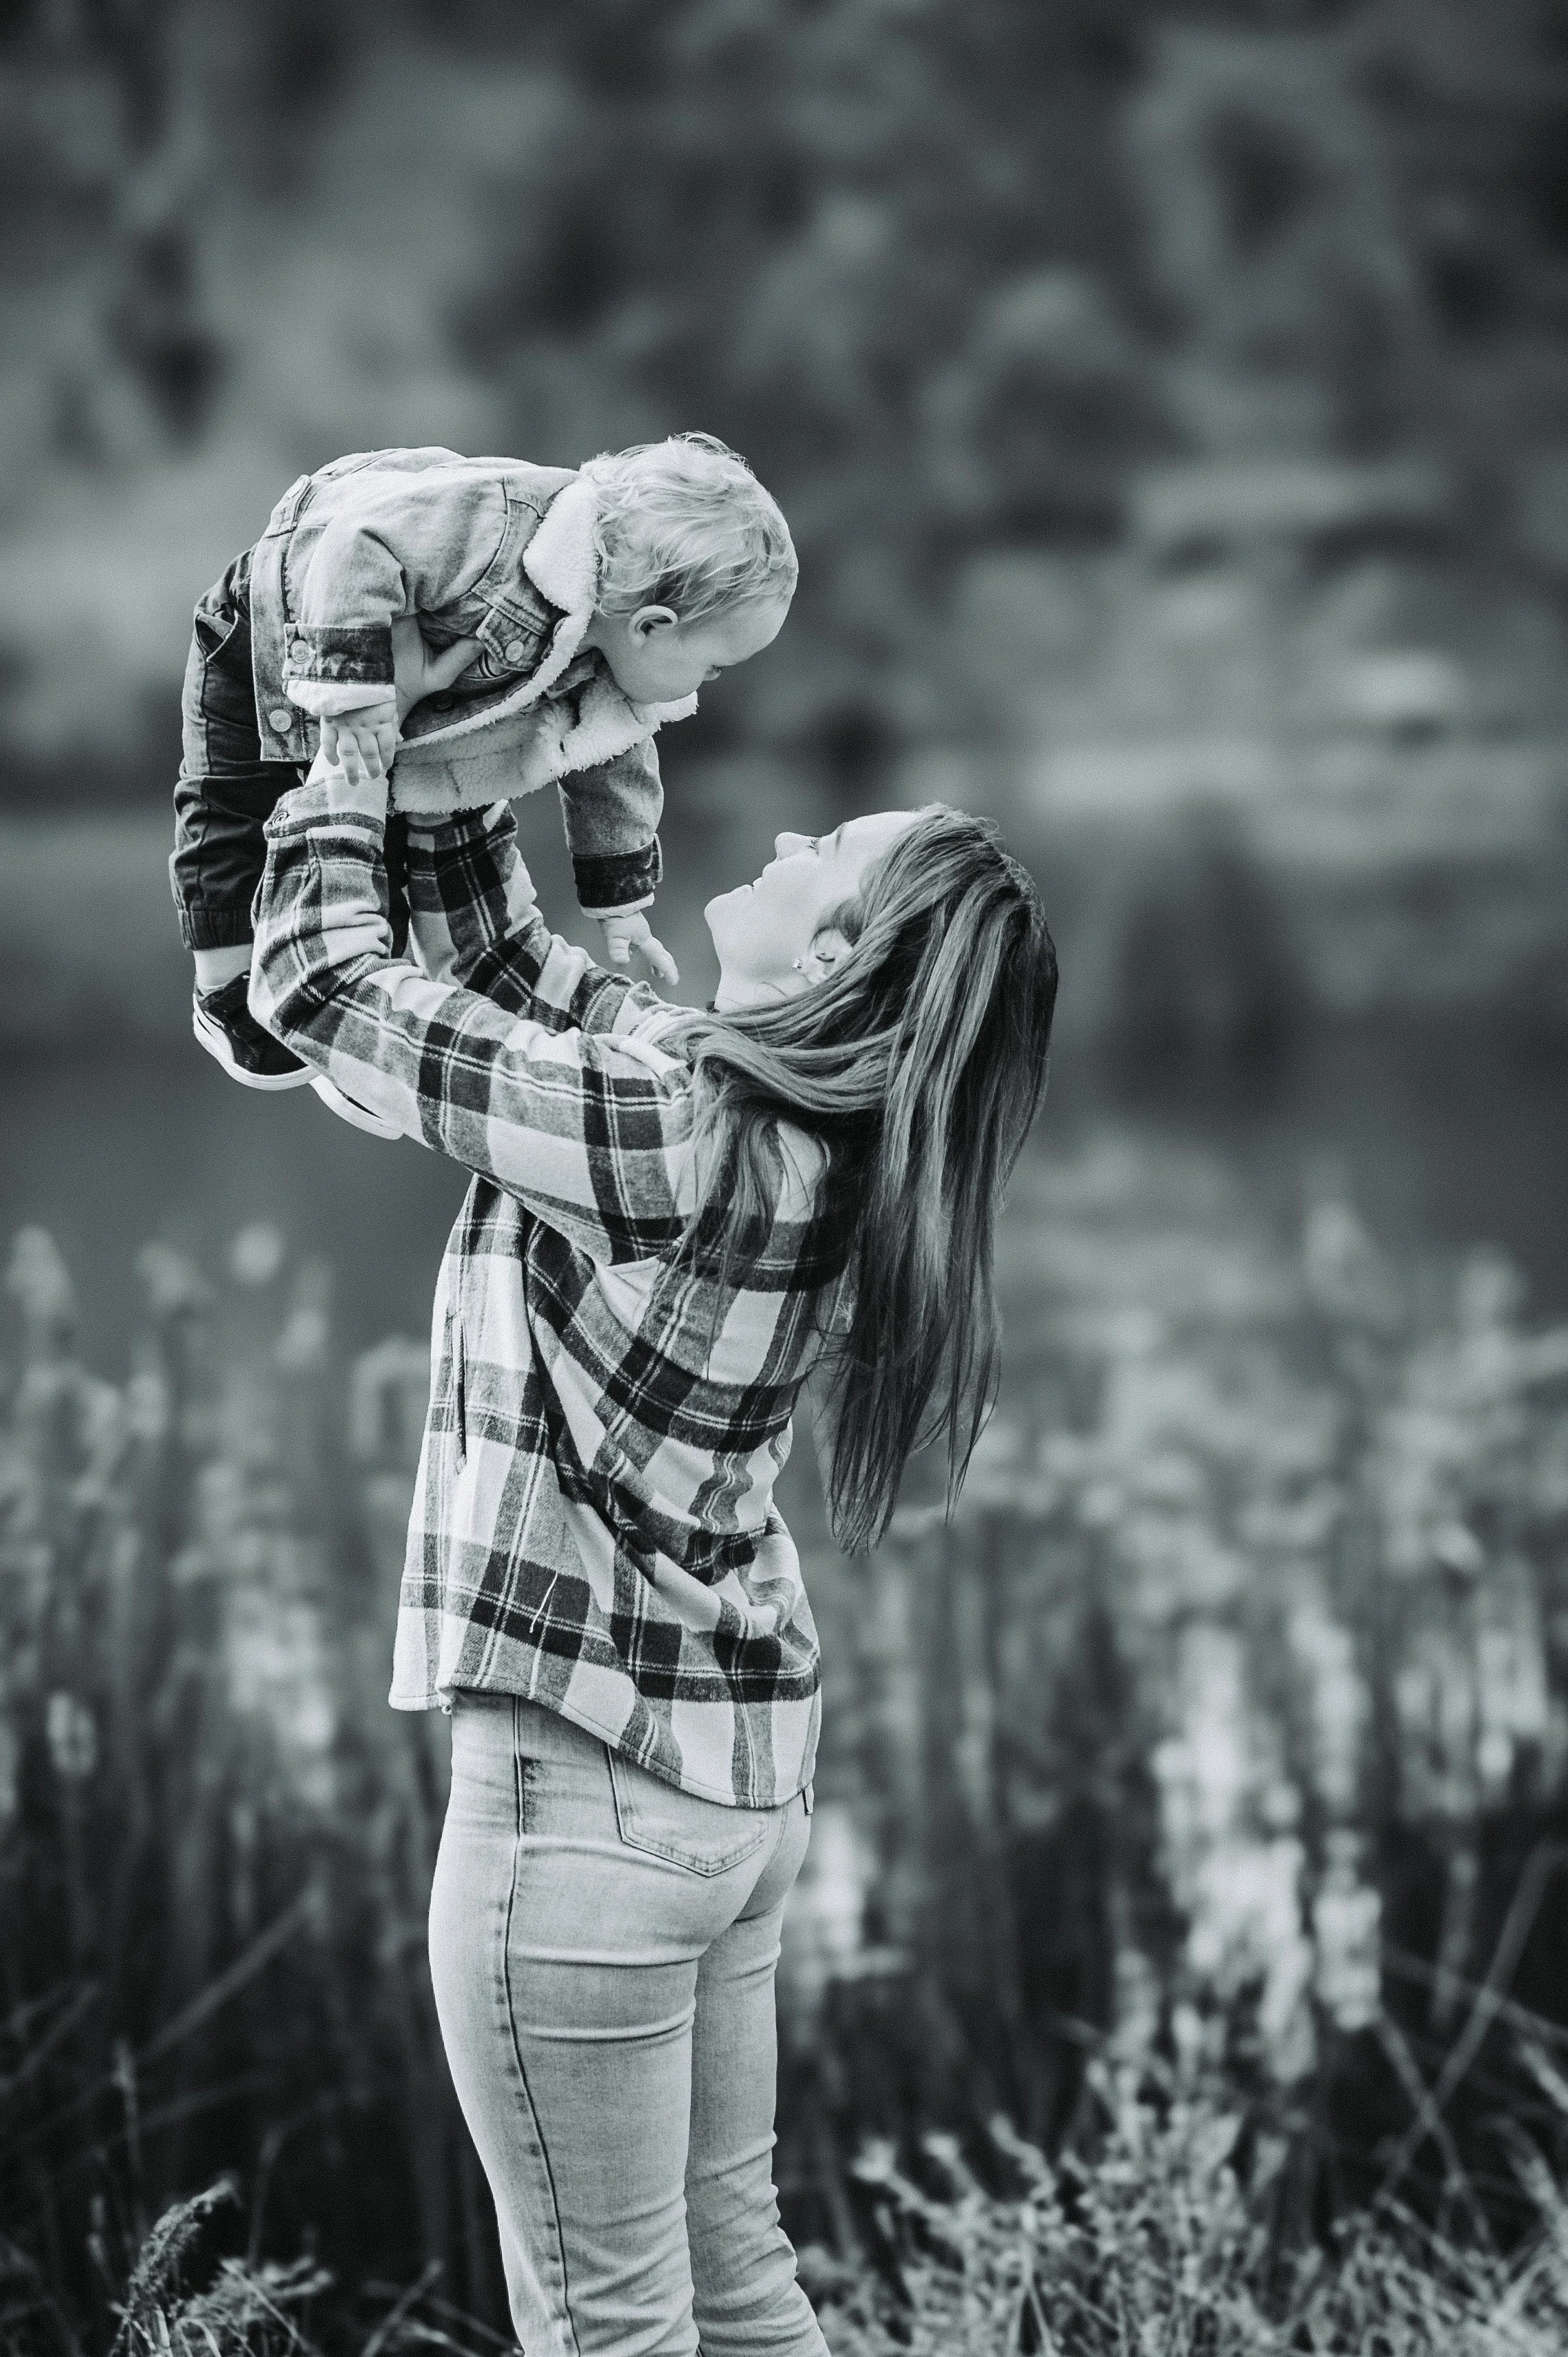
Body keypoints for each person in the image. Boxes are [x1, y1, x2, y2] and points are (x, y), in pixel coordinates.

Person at [247, 659, 1058, 2354]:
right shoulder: (819, 1153)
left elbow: (322, 985)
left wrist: (340, 726)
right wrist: (501, 724)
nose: (775, 838)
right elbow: (505, 981)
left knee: (605, 2324)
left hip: (581, 1810)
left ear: (836, 960)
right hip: (726, 1807)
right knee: (736, 2276)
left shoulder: (669, 1124)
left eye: (819, 851)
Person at [172, 431, 796, 1127]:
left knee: (386, 854)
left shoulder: (611, 645)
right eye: (714, 666)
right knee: (238, 808)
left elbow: (611, 762)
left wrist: (619, 899)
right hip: (280, 622)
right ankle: (222, 987)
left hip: (418, 710)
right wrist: (358, 696)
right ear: (652, 624)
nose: (710, 685)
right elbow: (355, 544)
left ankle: (370, 1021)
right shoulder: (496, 532)